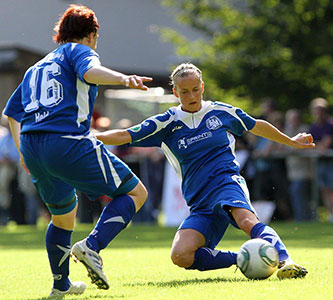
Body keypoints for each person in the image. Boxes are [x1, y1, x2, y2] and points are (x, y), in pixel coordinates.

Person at [94, 63, 314, 279]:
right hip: (199, 201)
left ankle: (287, 261)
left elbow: (256, 124)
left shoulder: (221, 112)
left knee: (247, 222)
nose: (191, 96)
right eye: (185, 92)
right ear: (175, 92)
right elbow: (125, 135)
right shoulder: (167, 123)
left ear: (203, 86)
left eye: (196, 89)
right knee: (181, 255)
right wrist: (90, 136)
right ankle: (245, 258)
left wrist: (290, 141)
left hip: (226, 183)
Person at [4, 4, 152, 297]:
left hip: (34, 147)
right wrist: (123, 78)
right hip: (67, 140)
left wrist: (22, 151)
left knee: (63, 217)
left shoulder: (36, 67)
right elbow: (91, 71)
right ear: (92, 33)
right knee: (136, 193)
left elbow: (12, 113)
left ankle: (60, 286)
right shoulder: (78, 50)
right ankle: (92, 246)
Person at [284, 109, 313, 221]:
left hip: (305, 171)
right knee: (296, 193)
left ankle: (304, 218)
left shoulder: (304, 131)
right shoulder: (288, 131)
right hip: (292, 171)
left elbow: (300, 147)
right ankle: (303, 218)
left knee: (298, 192)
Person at [309, 98, 333, 222]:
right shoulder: (314, 127)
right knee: (324, 189)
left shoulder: (330, 124)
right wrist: (319, 146)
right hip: (320, 161)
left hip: (330, 161)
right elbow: (310, 144)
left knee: (331, 188)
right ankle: (331, 214)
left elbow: (326, 143)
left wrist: (318, 146)